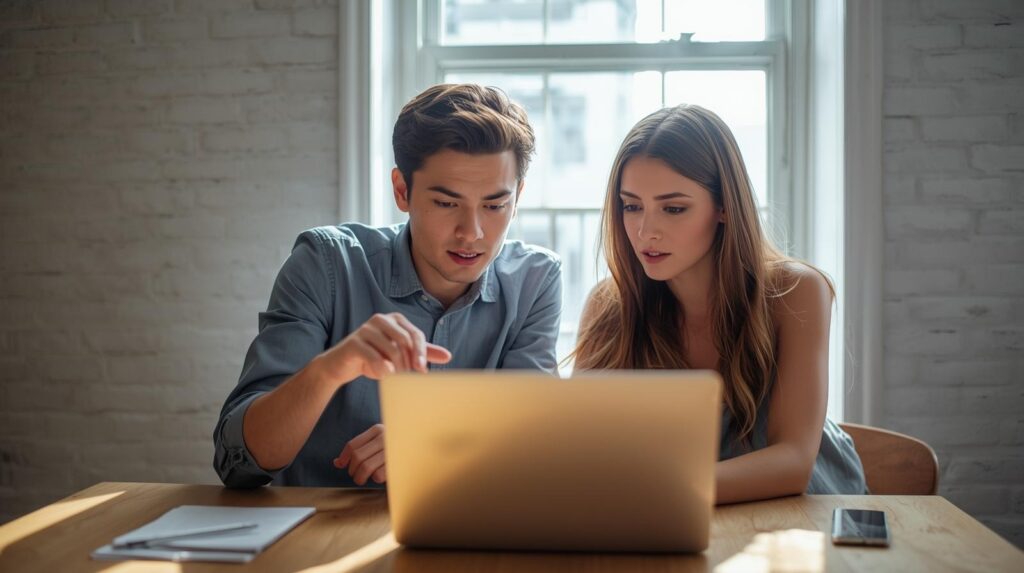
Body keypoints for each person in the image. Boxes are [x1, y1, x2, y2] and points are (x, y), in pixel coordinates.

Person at [213, 84, 562, 489]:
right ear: (402, 191)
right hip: (316, 535)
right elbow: (237, 464)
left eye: (495, 205)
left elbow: (533, 443)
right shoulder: (324, 264)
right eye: (447, 204)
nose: (472, 232)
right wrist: (329, 370)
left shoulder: (535, 280)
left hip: (463, 532)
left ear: (517, 197)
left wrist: (431, 442)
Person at [572, 104, 866, 502]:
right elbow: (579, 452)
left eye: (673, 209)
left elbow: (794, 462)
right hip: (668, 515)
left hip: (798, 515)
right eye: (631, 205)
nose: (645, 231)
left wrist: (655, 489)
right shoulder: (609, 305)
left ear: (724, 207)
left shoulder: (795, 292)